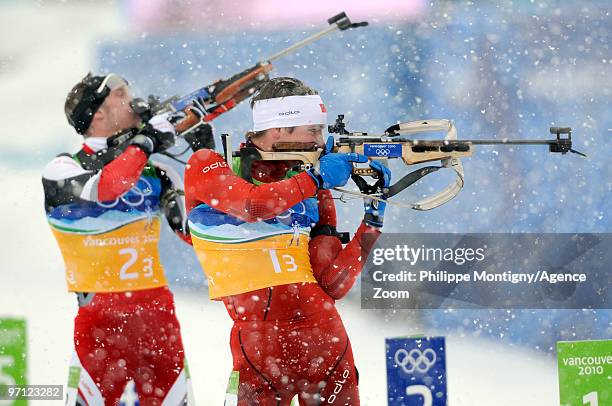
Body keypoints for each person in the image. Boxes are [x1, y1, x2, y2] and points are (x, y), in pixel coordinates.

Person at [184, 77, 390, 405]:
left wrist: (373, 218)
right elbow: (254, 205)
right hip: (259, 350)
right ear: (279, 129)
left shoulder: (308, 183)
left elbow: (333, 284)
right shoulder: (211, 165)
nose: (321, 142)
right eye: (313, 131)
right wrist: (316, 177)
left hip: (324, 341)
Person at [42, 73, 212, 405]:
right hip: (100, 323)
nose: (132, 99)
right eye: (121, 94)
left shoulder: (154, 173)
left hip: (157, 317)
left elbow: (204, 235)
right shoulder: (63, 168)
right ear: (97, 115)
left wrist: (205, 161)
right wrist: (146, 141)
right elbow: (108, 187)